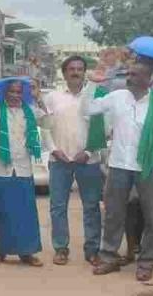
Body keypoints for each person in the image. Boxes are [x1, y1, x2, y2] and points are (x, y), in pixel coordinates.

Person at [90, 59, 153, 282]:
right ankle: (109, 257)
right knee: (113, 214)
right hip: (120, 165)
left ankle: (147, 261)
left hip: (151, 166)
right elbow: (88, 109)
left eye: (136, 74)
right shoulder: (117, 97)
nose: (130, 78)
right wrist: (92, 85)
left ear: (149, 78)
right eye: (129, 74)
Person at [41, 56, 104, 266]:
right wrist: (54, 150)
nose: (75, 72)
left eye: (79, 69)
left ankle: (92, 250)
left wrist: (87, 151)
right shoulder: (52, 97)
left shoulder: (95, 95)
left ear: (85, 72)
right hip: (60, 160)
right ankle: (60, 248)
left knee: (92, 207)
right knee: (58, 207)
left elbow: (102, 129)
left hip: (89, 159)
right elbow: (45, 126)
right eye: (71, 69)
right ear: (64, 72)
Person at [0, 77, 46, 267]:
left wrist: (39, 98)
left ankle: (27, 252)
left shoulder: (30, 109)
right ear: (5, 93)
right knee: (2, 211)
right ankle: (1, 251)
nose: (15, 95)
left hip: (23, 168)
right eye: (11, 92)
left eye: (18, 92)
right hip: (1, 168)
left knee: (26, 212)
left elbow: (48, 122)